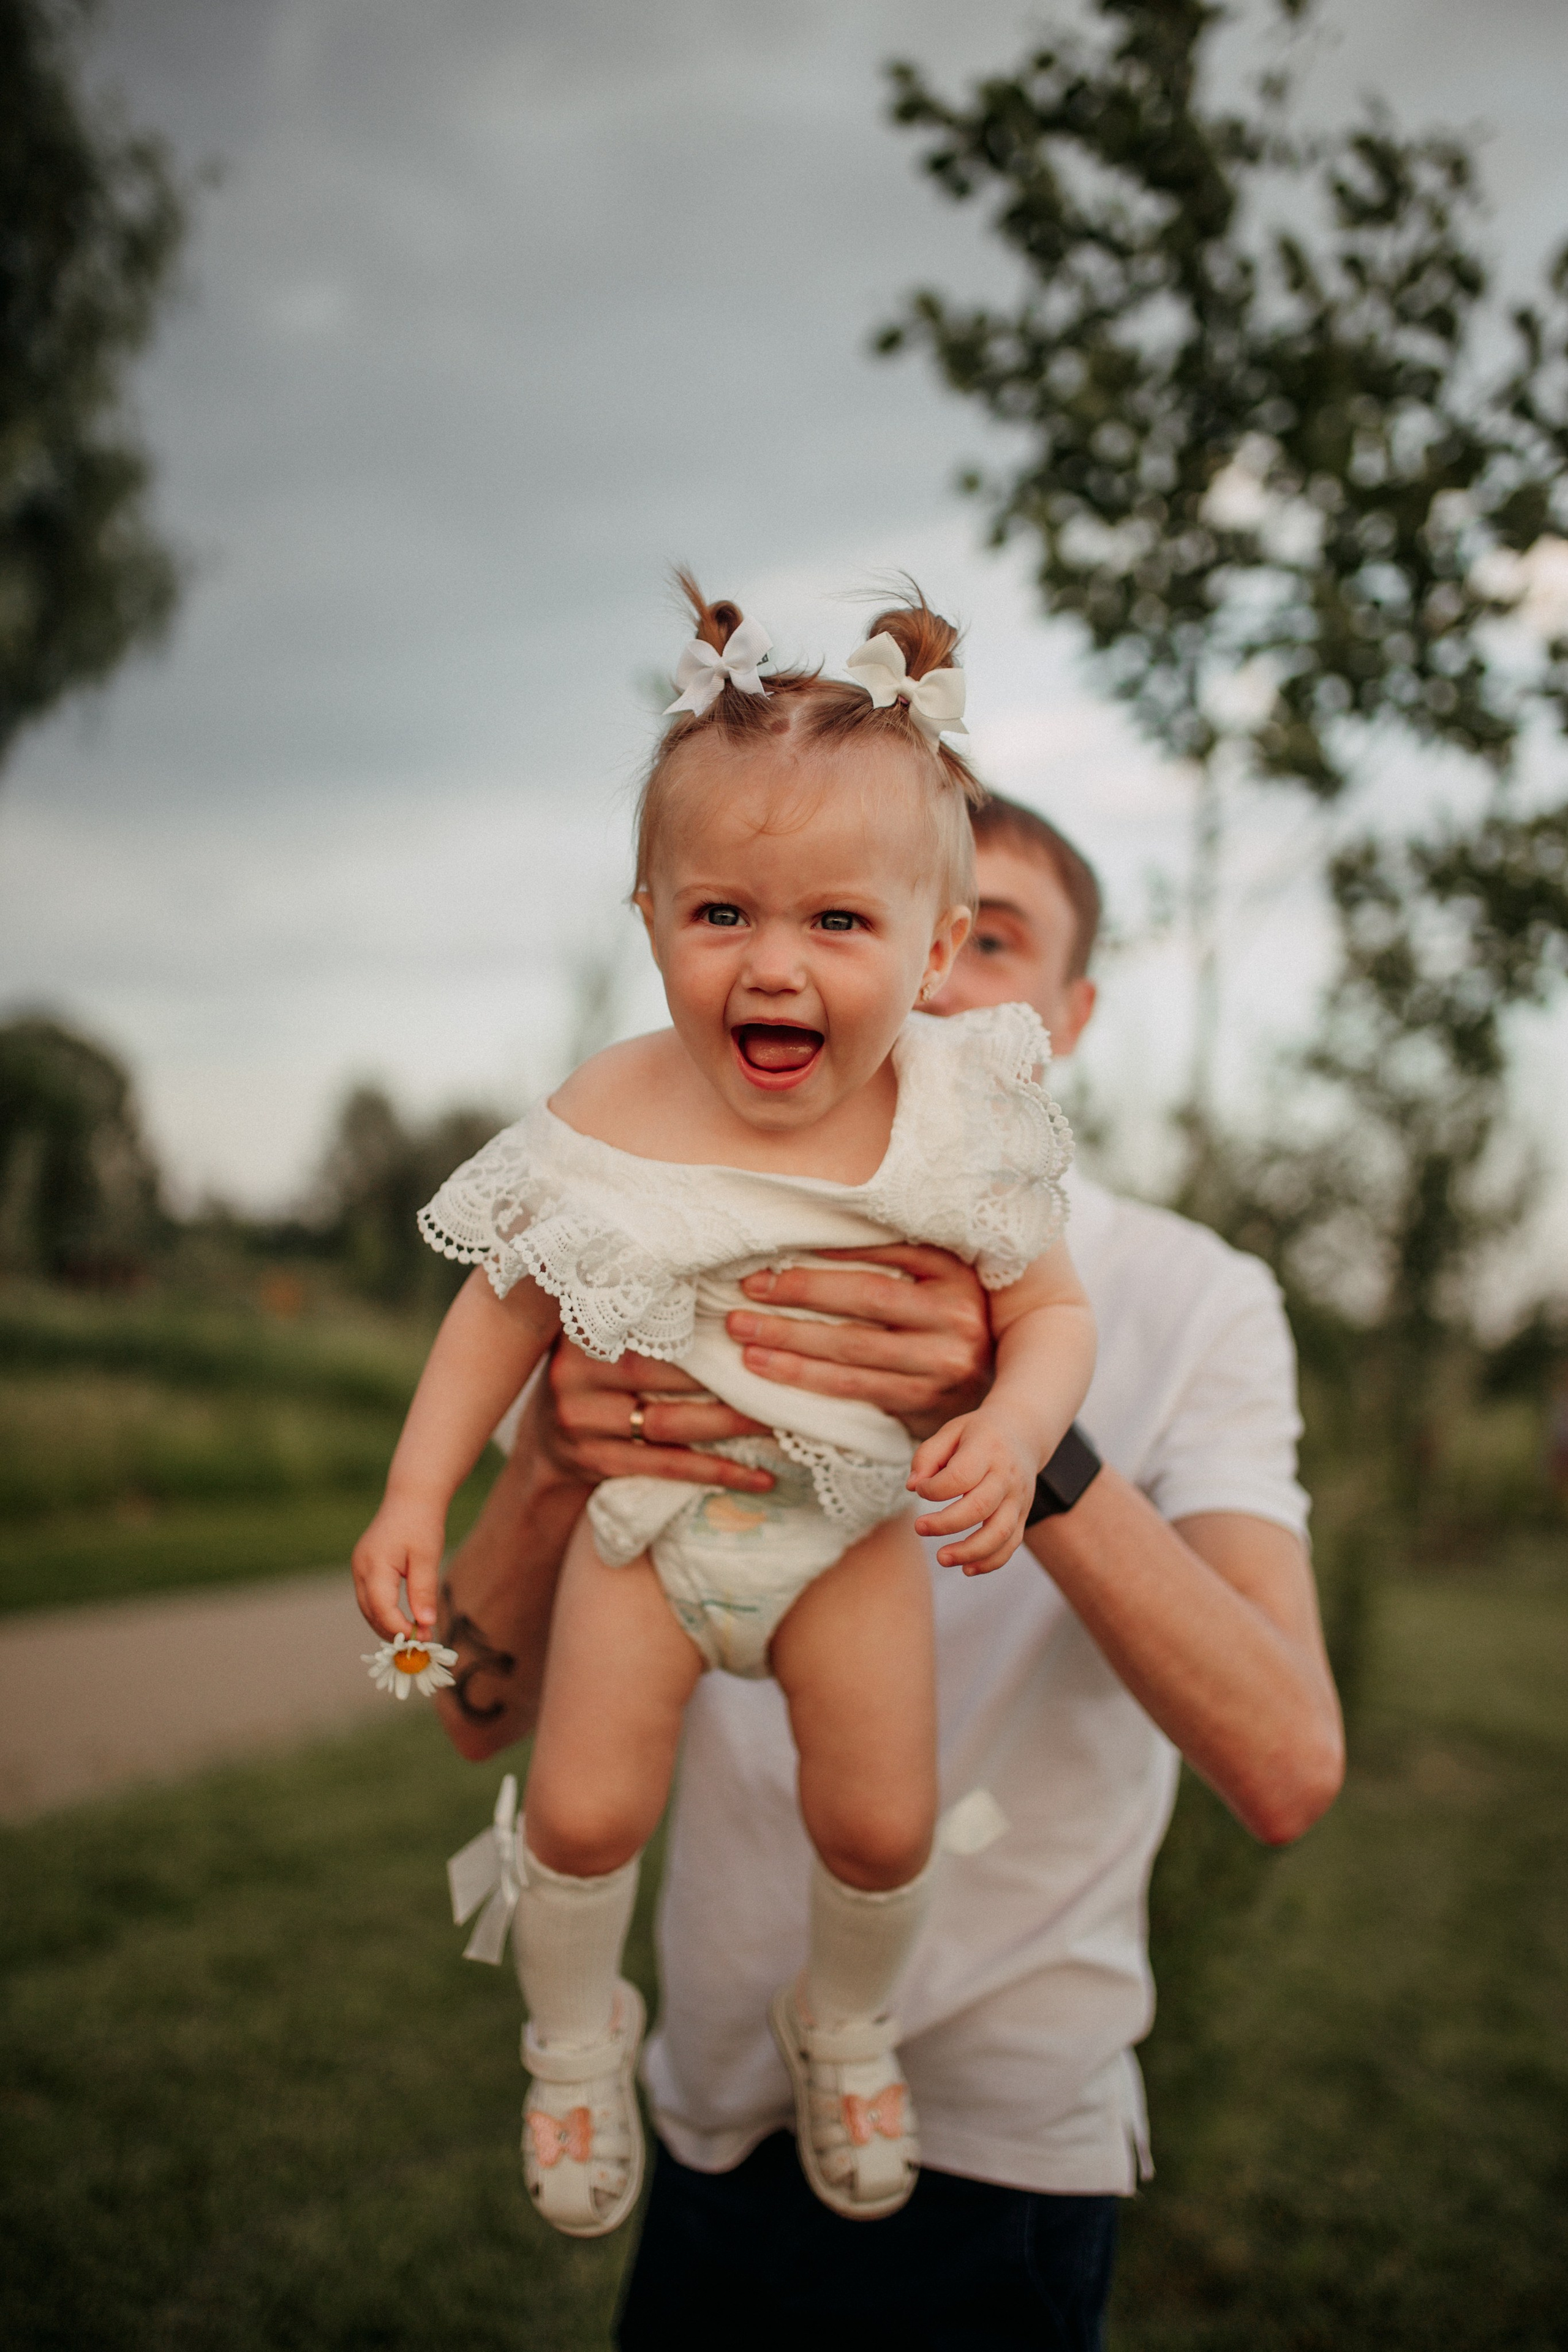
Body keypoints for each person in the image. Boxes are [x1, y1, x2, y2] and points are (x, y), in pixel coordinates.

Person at [435, 786, 1344, 2351]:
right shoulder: (667, 1212)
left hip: (1005, 2144)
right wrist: (546, 1466)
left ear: (1065, 1015)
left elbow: (1286, 1769)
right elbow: (471, 1715)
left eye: (986, 941)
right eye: (809, 913)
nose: (920, 981)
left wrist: (1007, 1420)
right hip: (705, 2111)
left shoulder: (1194, 1298)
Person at [352, 577, 1099, 2240]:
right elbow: (499, 1308)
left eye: (837, 923)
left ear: (932, 946)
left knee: (881, 1823)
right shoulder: (611, 1108)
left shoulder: (958, 1123)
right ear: (649, 917)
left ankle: (843, 2024)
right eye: (721, 914)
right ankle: (571, 2042)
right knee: (583, 1809)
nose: (774, 965)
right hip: (651, 1529)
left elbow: (1051, 1317)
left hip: (844, 1537)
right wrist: (414, 1495)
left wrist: (1014, 1429)